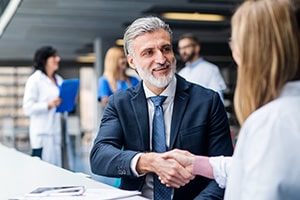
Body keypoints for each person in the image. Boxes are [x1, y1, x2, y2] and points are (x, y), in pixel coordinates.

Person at [162, 0, 300, 199]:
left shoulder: (271, 122)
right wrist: (198, 163)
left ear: (253, 51)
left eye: (235, 41)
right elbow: (253, 166)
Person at [90, 16, 233, 200]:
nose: (161, 59)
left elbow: (223, 174)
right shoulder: (120, 103)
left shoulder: (207, 101)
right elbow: (99, 156)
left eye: (166, 49)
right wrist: (147, 161)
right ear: (132, 61)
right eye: (148, 52)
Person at [23, 46, 70, 168]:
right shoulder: (35, 80)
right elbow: (27, 108)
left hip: (58, 133)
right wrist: (48, 105)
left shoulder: (59, 80)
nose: (58, 59)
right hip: (43, 135)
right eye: (54, 57)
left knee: (59, 171)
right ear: (44, 60)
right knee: (43, 170)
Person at [177, 33, 227, 101]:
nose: (183, 51)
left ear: (197, 48)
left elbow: (218, 99)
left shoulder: (211, 69)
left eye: (186, 47)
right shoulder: (181, 73)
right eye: (180, 48)